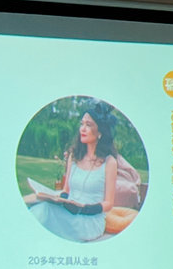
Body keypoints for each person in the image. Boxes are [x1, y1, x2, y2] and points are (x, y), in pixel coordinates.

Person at [30, 100, 118, 242]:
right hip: (69, 212)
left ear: (100, 132)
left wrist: (84, 208)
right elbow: (66, 190)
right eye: (82, 124)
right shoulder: (74, 156)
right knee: (41, 206)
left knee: (44, 211)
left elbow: (109, 204)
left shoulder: (109, 162)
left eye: (88, 125)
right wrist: (59, 200)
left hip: (90, 220)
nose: (82, 129)